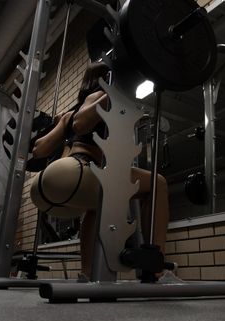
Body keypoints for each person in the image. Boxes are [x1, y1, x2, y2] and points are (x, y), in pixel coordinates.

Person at [30, 62, 169, 280]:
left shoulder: (66, 114)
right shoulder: (97, 96)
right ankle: (157, 269)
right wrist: (113, 91)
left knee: (96, 207)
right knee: (158, 183)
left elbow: (39, 150)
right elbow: (81, 125)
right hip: (79, 170)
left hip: (47, 186)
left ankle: (87, 272)